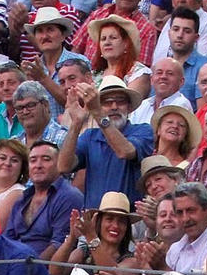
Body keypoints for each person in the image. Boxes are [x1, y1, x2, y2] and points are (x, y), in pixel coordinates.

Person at [61, 75, 155, 204]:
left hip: (128, 219)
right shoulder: (90, 136)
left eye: (120, 101)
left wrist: (98, 113)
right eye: (107, 102)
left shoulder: (143, 130)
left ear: (130, 107)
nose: (114, 106)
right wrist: (76, 123)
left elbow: (125, 151)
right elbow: (64, 166)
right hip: (95, 218)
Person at [48, 192, 138, 275]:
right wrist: (72, 238)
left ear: (127, 228)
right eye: (109, 219)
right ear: (99, 222)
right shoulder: (84, 252)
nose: (115, 226)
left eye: (121, 221)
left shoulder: (131, 260)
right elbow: (55, 272)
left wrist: (91, 238)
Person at [5, 140, 82, 256]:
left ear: (59, 163)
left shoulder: (69, 196)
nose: (38, 165)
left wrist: (30, 269)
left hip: (44, 270)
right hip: (14, 266)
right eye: (33, 160)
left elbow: (59, 244)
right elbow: (7, 240)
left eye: (46, 159)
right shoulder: (22, 199)